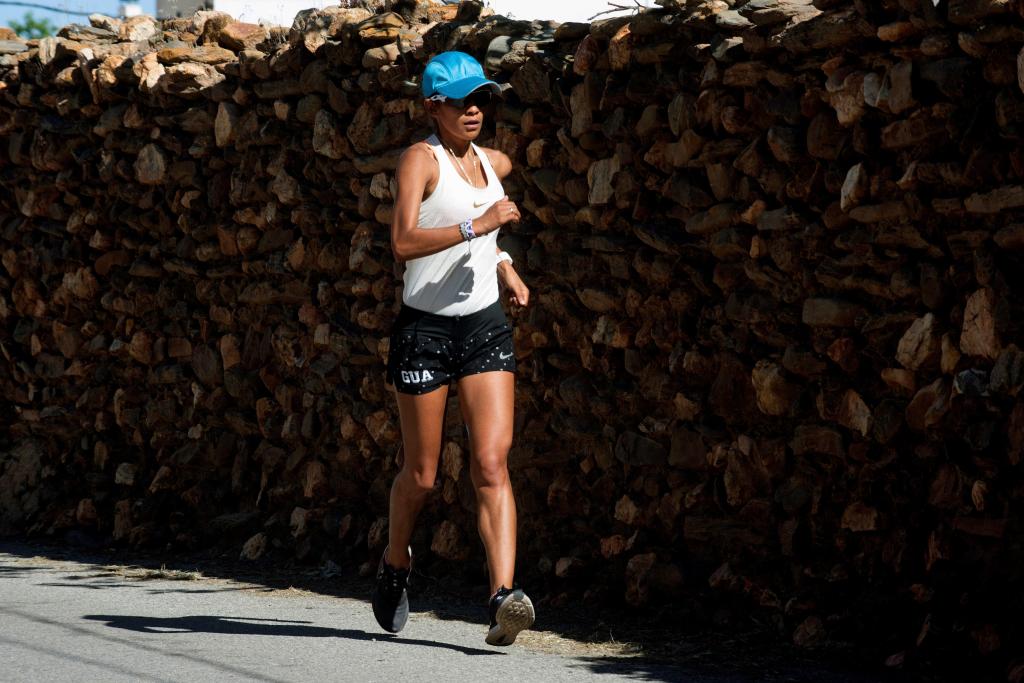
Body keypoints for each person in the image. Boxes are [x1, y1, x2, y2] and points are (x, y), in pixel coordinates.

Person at [371, 51, 535, 647]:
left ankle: (502, 598)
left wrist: (506, 266)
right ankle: (395, 563)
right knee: (423, 474)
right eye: (462, 100)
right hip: (426, 332)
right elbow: (404, 241)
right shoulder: (421, 159)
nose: (475, 110)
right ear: (431, 107)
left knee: (491, 464)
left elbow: (483, 230)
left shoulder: (494, 161)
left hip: (484, 326)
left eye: (482, 98)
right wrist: (481, 227)